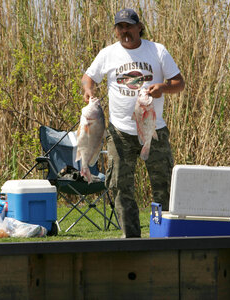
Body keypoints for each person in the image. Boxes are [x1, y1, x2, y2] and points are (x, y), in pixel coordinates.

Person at [81, 9, 185, 238]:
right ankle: (132, 238)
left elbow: (179, 82)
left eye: (129, 26)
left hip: (153, 131)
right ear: (116, 30)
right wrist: (89, 90)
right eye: (120, 27)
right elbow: (88, 77)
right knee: (120, 186)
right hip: (120, 133)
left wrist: (163, 88)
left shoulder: (157, 51)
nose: (125, 31)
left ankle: (164, 236)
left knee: (164, 186)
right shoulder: (107, 54)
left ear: (139, 27)